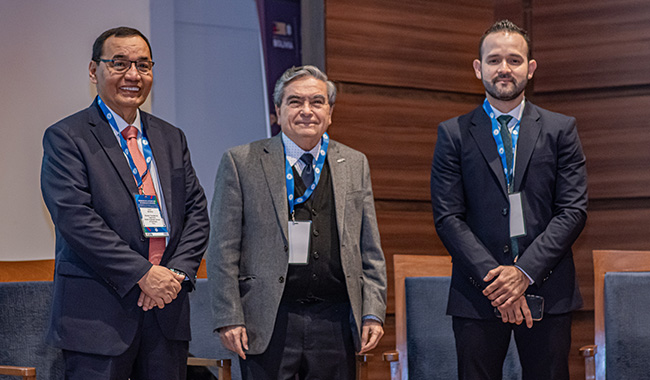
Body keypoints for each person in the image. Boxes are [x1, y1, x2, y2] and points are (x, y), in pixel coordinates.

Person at [40, 26, 209, 380]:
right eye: (119, 64)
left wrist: (173, 275)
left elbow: (196, 212)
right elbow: (75, 219)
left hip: (166, 309)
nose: (133, 75)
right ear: (93, 71)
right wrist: (142, 274)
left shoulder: (170, 137)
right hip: (98, 318)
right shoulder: (67, 137)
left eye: (143, 65)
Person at [430, 20, 588, 380]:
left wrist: (524, 272)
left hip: (548, 289)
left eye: (514, 60)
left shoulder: (561, 129)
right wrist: (500, 281)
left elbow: (573, 210)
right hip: (477, 293)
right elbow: (448, 217)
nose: (504, 69)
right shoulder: (453, 133)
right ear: (478, 68)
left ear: (530, 69)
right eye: (494, 60)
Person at [207, 65, 387, 380]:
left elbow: (370, 248)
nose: (307, 111)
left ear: (330, 113)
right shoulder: (241, 162)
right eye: (295, 102)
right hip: (268, 320)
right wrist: (229, 317)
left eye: (317, 102)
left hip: (335, 321)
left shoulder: (355, 163)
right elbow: (223, 248)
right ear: (277, 111)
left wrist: (372, 312)